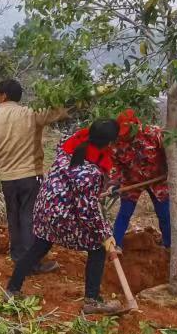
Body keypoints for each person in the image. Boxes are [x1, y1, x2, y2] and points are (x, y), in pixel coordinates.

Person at [7, 119, 125, 316]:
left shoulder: (68, 146)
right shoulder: (91, 172)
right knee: (97, 248)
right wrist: (105, 234)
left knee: (40, 246)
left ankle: (12, 288)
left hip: (45, 210)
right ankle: (92, 300)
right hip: (63, 216)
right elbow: (87, 212)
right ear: (109, 144)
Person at [0, 78, 66, 272]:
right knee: (29, 218)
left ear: (3, 96)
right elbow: (58, 113)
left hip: (8, 178)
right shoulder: (31, 114)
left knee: (14, 217)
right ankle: (31, 263)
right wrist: (63, 98)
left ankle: (18, 258)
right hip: (30, 176)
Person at [107, 109, 171, 250]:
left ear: (136, 125)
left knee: (165, 214)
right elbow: (116, 167)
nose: (125, 136)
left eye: (128, 132)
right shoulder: (116, 143)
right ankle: (116, 245)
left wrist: (170, 172)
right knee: (124, 213)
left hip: (157, 180)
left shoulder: (153, 134)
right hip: (132, 181)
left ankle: (169, 245)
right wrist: (114, 183)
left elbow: (170, 154)